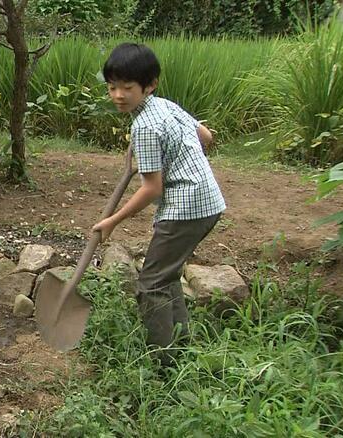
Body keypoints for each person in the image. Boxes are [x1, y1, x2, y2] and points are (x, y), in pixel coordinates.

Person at [91, 43, 226, 366]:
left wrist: (112, 221)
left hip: (186, 209)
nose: (118, 95)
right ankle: (180, 347)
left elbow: (152, 189)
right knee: (166, 276)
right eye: (112, 87)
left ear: (149, 85)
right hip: (208, 200)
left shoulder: (144, 126)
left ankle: (162, 364)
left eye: (127, 88)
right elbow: (206, 136)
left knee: (151, 283)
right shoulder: (166, 106)